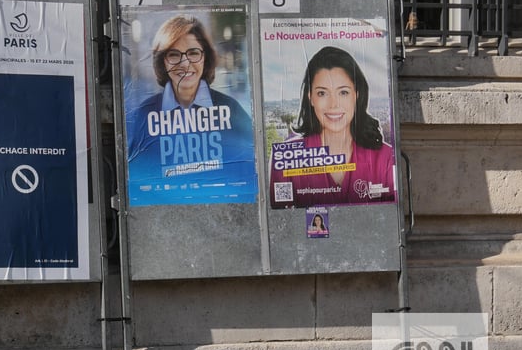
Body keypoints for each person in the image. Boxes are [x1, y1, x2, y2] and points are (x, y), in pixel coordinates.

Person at [124, 14, 256, 203]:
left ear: (206, 57)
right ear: (163, 61)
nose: (185, 64)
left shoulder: (231, 110)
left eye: (193, 53)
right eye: (174, 55)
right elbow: (135, 179)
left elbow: (251, 170)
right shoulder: (143, 115)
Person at [269, 45, 396, 207]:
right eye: (322, 93)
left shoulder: (384, 157)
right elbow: (281, 224)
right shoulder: (286, 159)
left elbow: (390, 222)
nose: (333, 104)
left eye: (343, 92)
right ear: (311, 98)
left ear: (357, 95)